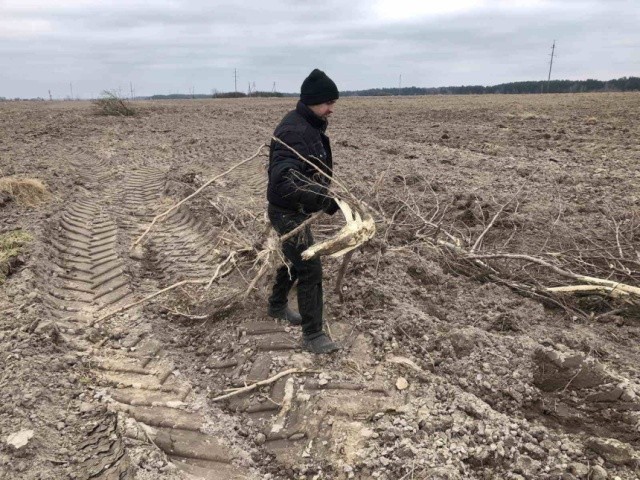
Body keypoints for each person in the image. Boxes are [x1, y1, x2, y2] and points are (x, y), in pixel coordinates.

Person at [266, 69, 341, 354]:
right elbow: (284, 179)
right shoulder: (294, 130)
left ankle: (276, 306)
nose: (331, 109)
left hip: (298, 208)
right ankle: (313, 335)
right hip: (287, 211)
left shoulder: (310, 124)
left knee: (294, 258)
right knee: (310, 267)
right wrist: (321, 198)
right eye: (327, 103)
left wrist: (320, 196)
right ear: (312, 101)